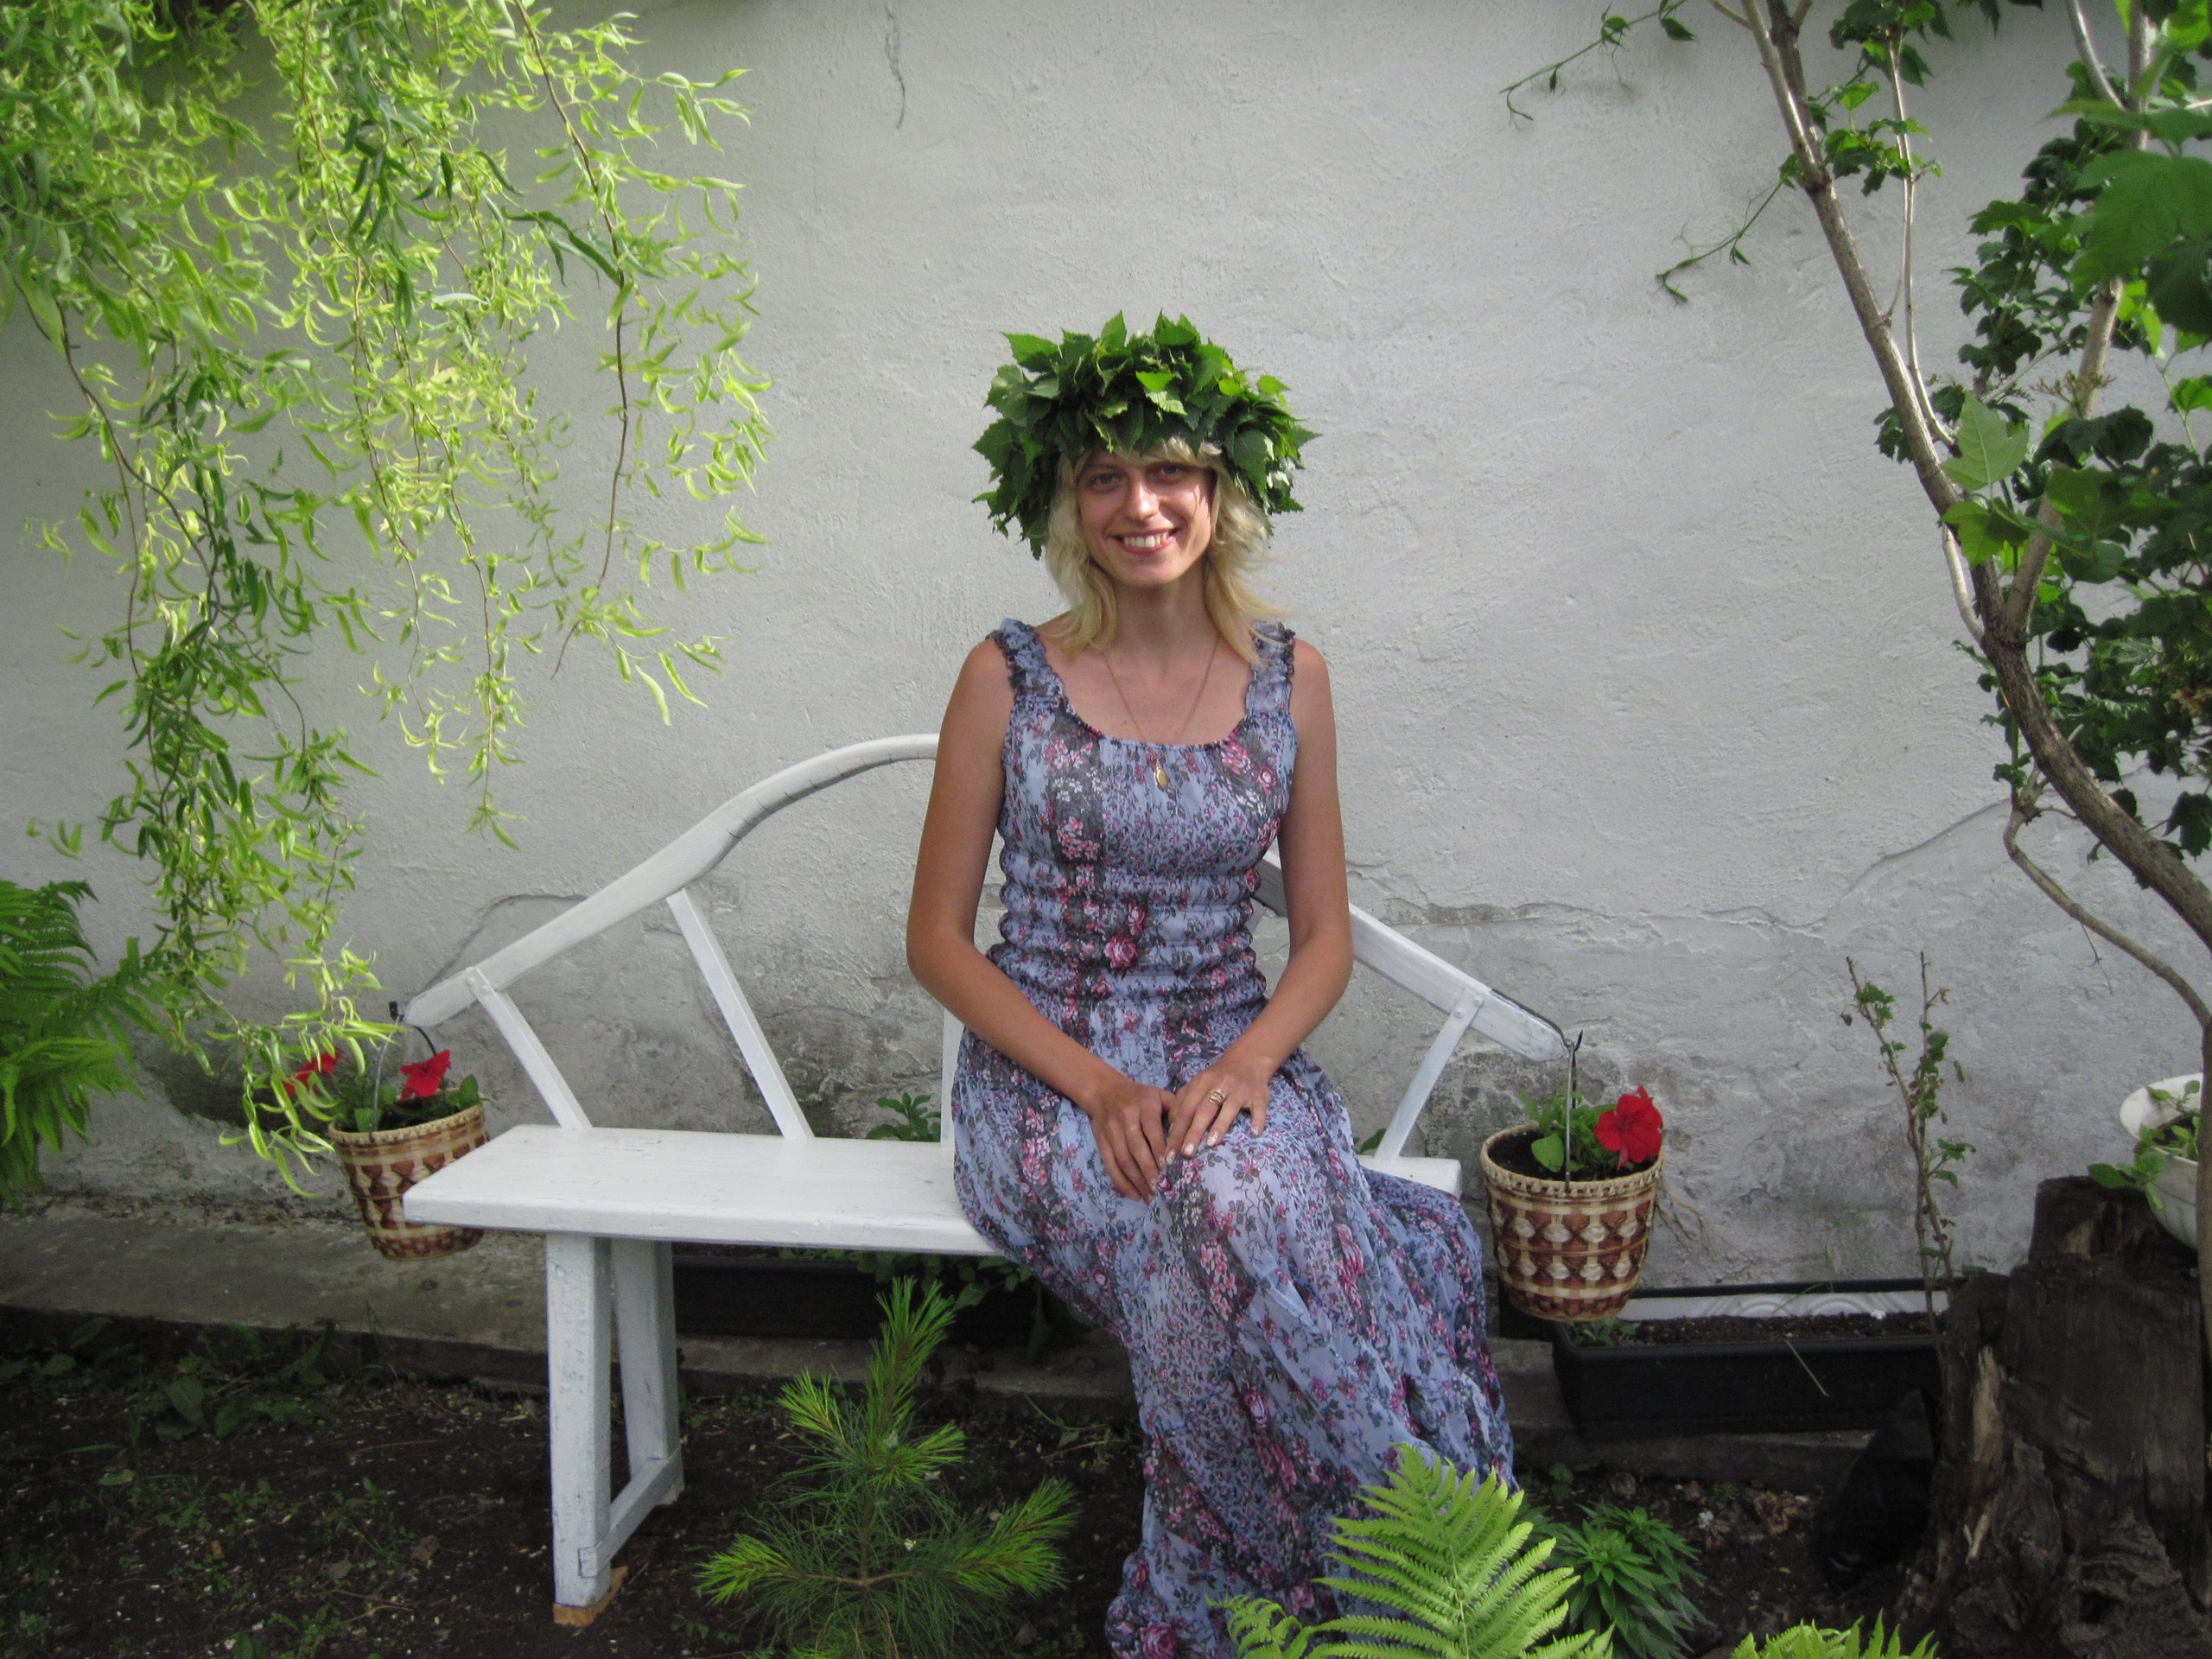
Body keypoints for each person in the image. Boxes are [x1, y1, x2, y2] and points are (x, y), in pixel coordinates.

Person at [906, 315, 1512, 1657]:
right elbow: (938, 941)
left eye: (1170, 471)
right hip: (1050, 1079)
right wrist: (1100, 1088)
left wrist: (1247, 1065)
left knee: (1238, 1201)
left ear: (1221, 489)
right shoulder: (1007, 676)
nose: (1142, 506)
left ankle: (1382, 1582)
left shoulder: (1293, 680)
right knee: (1195, 1222)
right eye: (1106, 477)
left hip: (1231, 1057)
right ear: (1068, 502)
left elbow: (1323, 935)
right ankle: (1341, 1587)